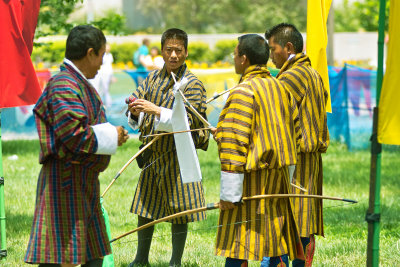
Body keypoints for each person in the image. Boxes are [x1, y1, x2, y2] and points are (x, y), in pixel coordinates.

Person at [24, 25, 129, 267]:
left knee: (93, 255)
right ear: (90, 53)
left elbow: (88, 128)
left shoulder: (78, 83)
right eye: (102, 55)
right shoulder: (63, 85)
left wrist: (113, 134)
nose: (102, 63)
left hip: (83, 183)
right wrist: (113, 135)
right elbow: (74, 135)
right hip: (65, 183)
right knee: (60, 257)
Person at [213, 34, 302, 267]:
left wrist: (229, 195)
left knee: (239, 242)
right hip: (278, 179)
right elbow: (293, 134)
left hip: (250, 183)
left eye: (235, 55)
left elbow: (234, 144)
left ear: (243, 59)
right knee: (274, 239)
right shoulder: (281, 87)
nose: (234, 59)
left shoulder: (243, 92)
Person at [126, 28, 209, 267]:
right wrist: (134, 109)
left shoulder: (192, 84)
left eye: (178, 50)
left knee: (179, 210)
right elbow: (136, 100)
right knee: (145, 207)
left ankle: (175, 262)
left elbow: (189, 122)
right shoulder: (152, 78)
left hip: (178, 155)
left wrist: (156, 110)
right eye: (169, 50)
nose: (173, 55)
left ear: (185, 52)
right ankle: (141, 258)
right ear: (162, 51)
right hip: (153, 154)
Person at [264, 23, 330, 267]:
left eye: (273, 50)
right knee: (303, 220)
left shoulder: (291, 76)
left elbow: (274, 117)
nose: (271, 56)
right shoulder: (313, 74)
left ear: (288, 47)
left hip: (294, 160)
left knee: (285, 220)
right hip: (309, 160)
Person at [90, 43, 114, 109]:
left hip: (107, 74)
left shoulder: (109, 55)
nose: (108, 48)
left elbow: (110, 67)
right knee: (97, 88)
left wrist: (112, 76)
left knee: (106, 89)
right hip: (99, 74)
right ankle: (97, 103)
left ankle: (108, 104)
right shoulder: (101, 55)